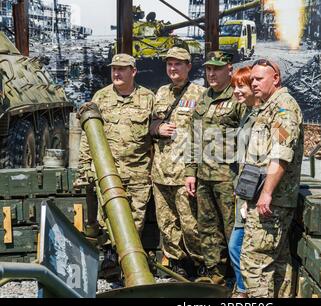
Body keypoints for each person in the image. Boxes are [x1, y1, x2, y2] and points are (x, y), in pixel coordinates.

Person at [240, 59, 303, 298]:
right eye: (252, 79)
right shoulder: (268, 106)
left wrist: (266, 193)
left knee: (254, 262)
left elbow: (281, 154)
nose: (253, 83)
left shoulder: (283, 108)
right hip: (266, 199)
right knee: (278, 262)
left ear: (275, 78)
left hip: (270, 202)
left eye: (258, 79)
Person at [184, 51, 247, 285]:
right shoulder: (204, 98)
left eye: (217, 69)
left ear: (229, 69)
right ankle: (215, 275)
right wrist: (190, 172)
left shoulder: (238, 98)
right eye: (208, 68)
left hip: (228, 178)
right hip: (203, 176)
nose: (211, 73)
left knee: (233, 230)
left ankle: (241, 280)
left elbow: (247, 140)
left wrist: (242, 180)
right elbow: (193, 137)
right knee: (208, 229)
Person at [78, 53, 155, 236]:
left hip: (138, 175)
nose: (116, 73)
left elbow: (156, 138)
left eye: (121, 69)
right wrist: (84, 168)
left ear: (133, 71)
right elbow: (88, 136)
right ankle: (111, 261)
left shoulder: (148, 98)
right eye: (114, 69)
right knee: (108, 224)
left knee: (134, 227)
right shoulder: (101, 97)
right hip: (108, 174)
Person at [150, 47, 206, 277]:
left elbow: (205, 135)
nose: (173, 69)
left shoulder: (201, 94)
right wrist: (157, 128)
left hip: (186, 174)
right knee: (166, 225)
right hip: (161, 172)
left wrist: (196, 171)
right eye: (169, 64)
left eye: (178, 64)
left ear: (188, 66)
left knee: (191, 225)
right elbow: (150, 125)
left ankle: (201, 263)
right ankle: (177, 264)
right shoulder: (161, 93)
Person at [228, 66, 258, 298]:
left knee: (238, 245)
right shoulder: (247, 112)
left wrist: (247, 198)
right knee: (238, 245)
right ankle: (242, 288)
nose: (237, 91)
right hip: (244, 189)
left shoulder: (260, 116)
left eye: (242, 86)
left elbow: (260, 162)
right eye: (235, 86)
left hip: (253, 193)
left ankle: (244, 290)